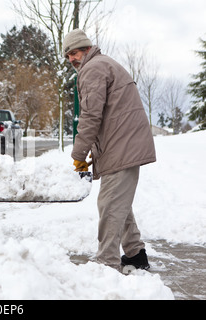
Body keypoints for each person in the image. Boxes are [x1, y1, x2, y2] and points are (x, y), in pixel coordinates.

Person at [62, 29, 156, 272]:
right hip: (122, 145)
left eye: (75, 52)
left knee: (110, 205)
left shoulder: (93, 69)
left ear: (86, 49)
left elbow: (91, 116)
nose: (72, 58)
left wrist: (78, 155)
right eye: (68, 55)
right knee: (118, 203)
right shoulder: (102, 65)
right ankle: (135, 255)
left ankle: (107, 262)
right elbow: (106, 114)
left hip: (123, 146)